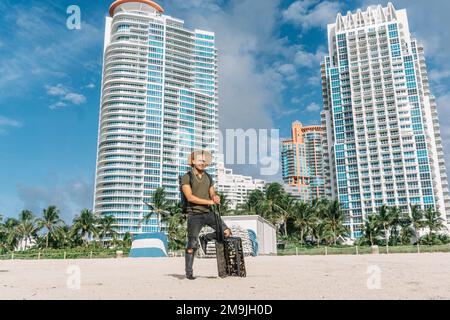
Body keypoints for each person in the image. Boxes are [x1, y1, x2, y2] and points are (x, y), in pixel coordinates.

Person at [181, 150, 231, 280]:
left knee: (226, 232)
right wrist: (208, 201)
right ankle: (189, 272)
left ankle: (206, 238)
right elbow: (190, 197)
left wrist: (215, 197)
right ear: (192, 161)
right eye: (199, 160)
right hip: (194, 214)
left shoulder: (208, 177)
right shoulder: (187, 177)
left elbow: (212, 193)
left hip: (208, 212)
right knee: (192, 245)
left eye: (204, 161)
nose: (202, 163)